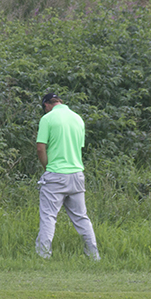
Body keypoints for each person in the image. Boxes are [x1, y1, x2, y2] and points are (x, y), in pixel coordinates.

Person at [35, 92, 100, 261]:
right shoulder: (78, 118)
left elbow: (41, 148)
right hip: (77, 175)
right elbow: (78, 147)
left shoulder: (48, 119)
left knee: (48, 217)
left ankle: (43, 257)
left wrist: (47, 167)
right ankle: (94, 256)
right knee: (81, 218)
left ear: (47, 105)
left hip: (56, 175)